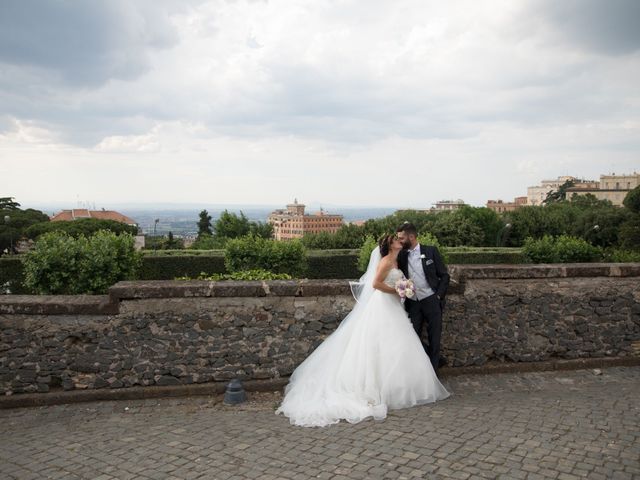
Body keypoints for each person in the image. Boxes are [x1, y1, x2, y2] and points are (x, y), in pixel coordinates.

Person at [276, 234, 449, 427]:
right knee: (383, 342)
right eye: (396, 239)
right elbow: (375, 284)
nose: (400, 240)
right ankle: (381, 388)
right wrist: (398, 291)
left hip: (394, 305)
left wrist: (403, 289)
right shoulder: (385, 261)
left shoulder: (397, 259)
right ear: (390, 244)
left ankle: (400, 386)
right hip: (384, 304)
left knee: (397, 344)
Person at [396, 222, 450, 372]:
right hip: (413, 303)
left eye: (401, 238)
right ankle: (418, 372)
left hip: (432, 300)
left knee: (434, 339)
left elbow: (444, 276)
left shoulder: (431, 251)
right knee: (412, 338)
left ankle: (433, 375)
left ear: (411, 237)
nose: (399, 241)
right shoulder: (400, 255)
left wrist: (438, 296)